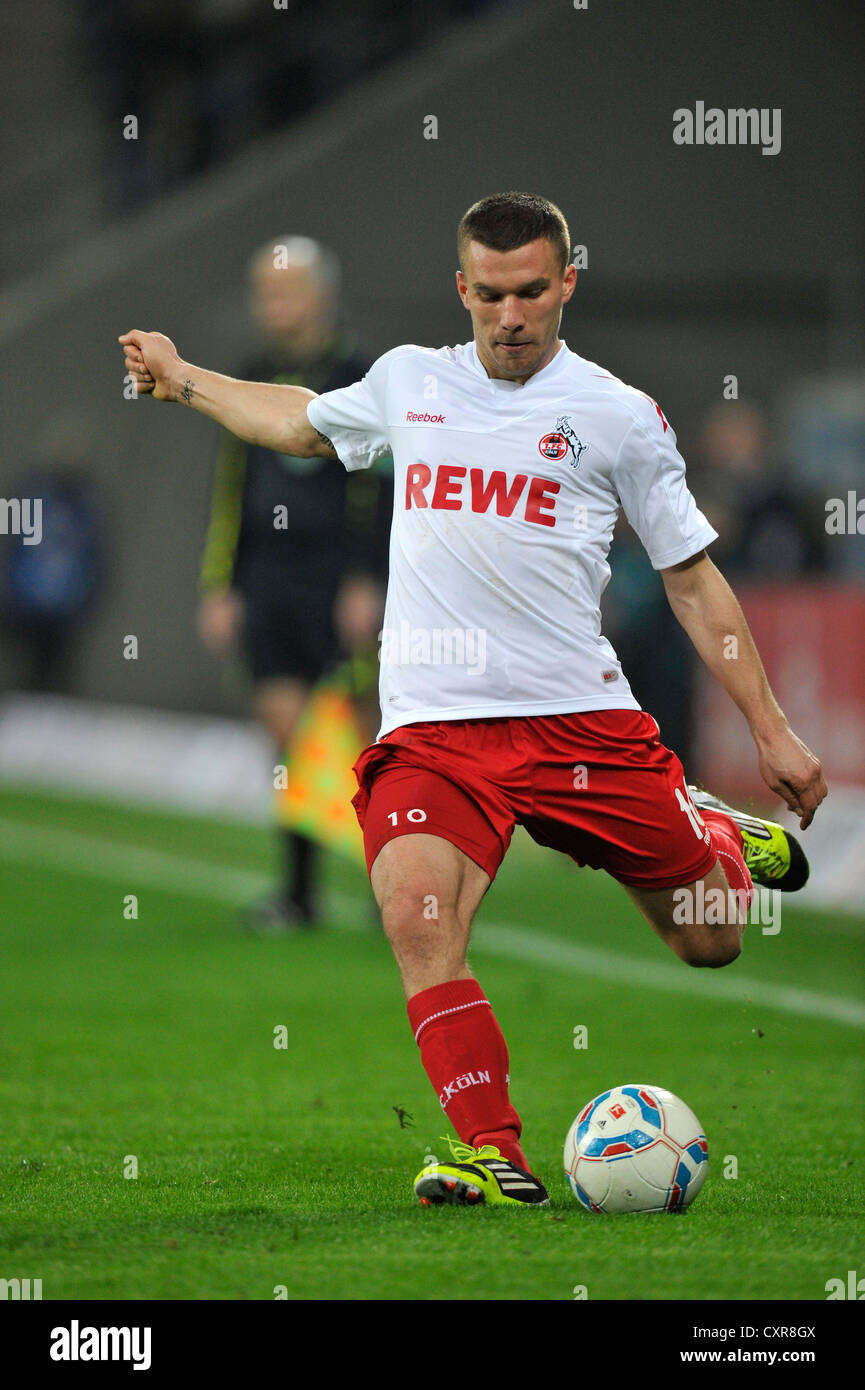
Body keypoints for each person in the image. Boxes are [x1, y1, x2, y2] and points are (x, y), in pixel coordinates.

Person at [119, 191, 827, 1209]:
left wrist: (770, 729)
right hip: (434, 735)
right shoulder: (410, 382)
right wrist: (185, 380)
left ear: (566, 283)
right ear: (462, 288)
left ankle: (710, 829)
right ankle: (493, 1152)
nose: (510, 315)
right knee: (414, 912)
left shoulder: (618, 415)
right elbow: (301, 424)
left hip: (579, 728)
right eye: (490, 293)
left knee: (710, 939)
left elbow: (690, 577)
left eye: (531, 291)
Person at [196, 236, 391, 929]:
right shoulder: (251, 373)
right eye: (265, 292)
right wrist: (221, 584)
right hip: (267, 578)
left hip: (337, 575)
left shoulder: (361, 372)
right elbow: (232, 488)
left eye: (285, 291)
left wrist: (368, 577)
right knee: (288, 733)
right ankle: (300, 892)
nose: (273, 305)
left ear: (321, 295)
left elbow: (382, 481)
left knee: (364, 732)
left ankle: (392, 886)